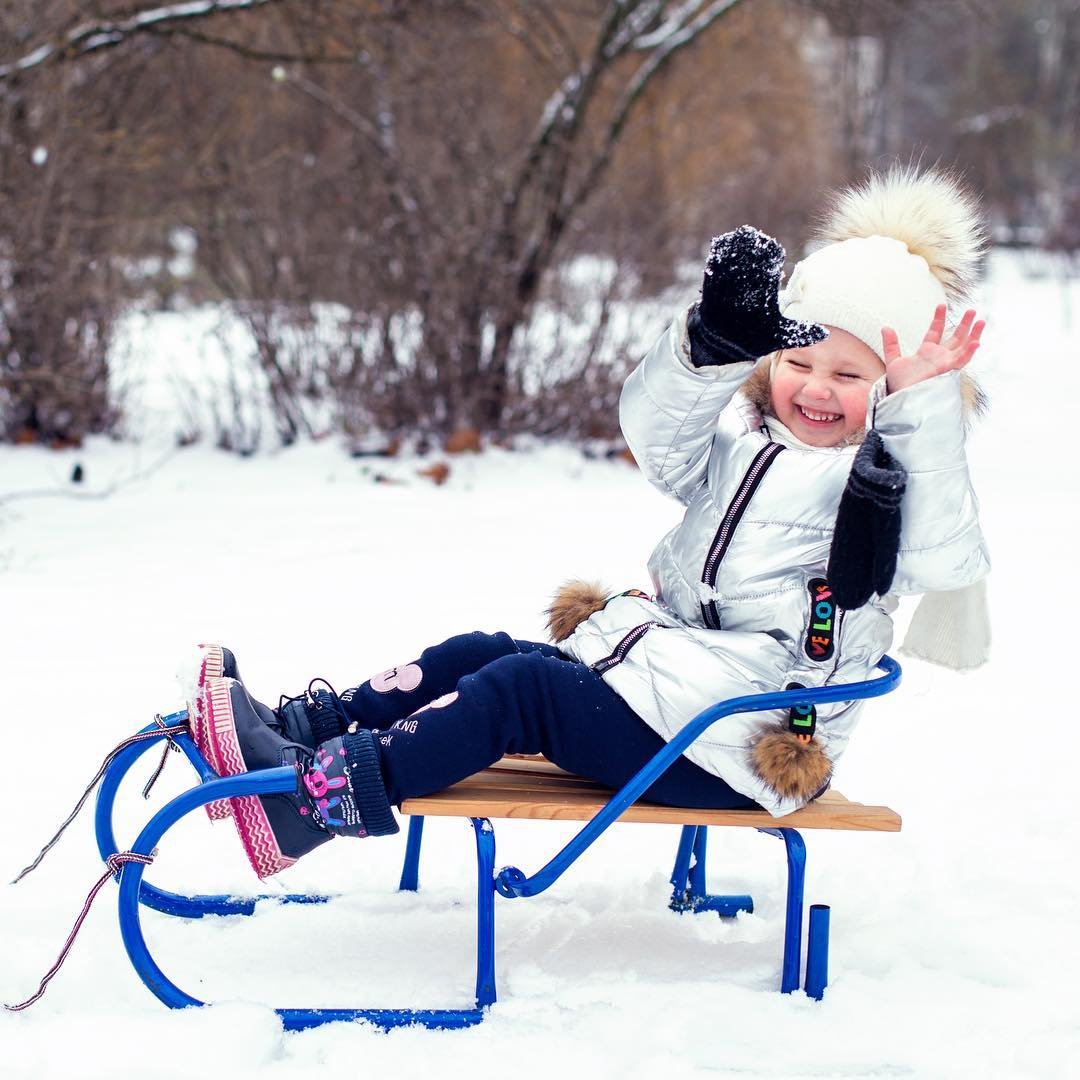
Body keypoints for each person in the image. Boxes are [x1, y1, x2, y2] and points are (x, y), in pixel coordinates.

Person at [191, 166, 990, 880]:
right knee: (483, 653)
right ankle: (300, 732)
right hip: (665, 693)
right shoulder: (749, 445)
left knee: (522, 689)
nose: (815, 388)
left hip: (733, 747)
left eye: (849, 375)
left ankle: (315, 803)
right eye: (797, 361)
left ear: (895, 388)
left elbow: (940, 552)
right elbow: (657, 441)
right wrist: (708, 350)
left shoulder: (883, 486)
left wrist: (920, 411)